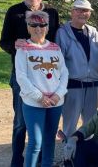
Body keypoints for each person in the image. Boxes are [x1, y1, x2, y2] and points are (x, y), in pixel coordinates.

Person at [0, 0, 59, 167]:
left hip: (47, 78)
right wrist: (14, 45)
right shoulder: (14, 12)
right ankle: (17, 160)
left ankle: (41, 160)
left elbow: (57, 41)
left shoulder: (52, 12)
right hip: (22, 77)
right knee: (21, 122)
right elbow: (4, 41)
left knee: (44, 121)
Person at [15, 10, 68, 167]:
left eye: (42, 25)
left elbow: (64, 72)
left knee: (49, 140)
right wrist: (39, 97)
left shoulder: (55, 48)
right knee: (35, 142)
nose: (38, 29)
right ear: (28, 27)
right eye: (34, 25)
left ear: (47, 27)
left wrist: (58, 95)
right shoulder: (23, 49)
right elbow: (21, 77)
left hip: (55, 103)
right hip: (34, 103)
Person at [56, 0, 98, 137]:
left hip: (93, 86)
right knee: (70, 125)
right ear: (72, 12)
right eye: (78, 10)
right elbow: (58, 62)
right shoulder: (62, 33)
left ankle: (87, 156)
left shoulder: (93, 32)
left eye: (86, 11)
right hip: (73, 86)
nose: (82, 13)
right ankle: (68, 156)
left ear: (90, 13)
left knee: (91, 125)